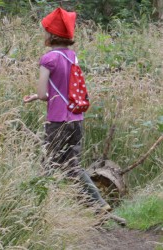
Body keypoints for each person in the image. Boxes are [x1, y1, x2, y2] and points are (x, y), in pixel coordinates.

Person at [23, 8, 111, 212]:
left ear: (51, 34)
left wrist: (38, 96)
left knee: (49, 163)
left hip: (57, 121)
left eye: (45, 30)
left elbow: (44, 93)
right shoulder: (72, 56)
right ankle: (99, 203)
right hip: (76, 118)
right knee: (73, 165)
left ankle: (42, 209)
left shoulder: (48, 59)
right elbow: (64, 87)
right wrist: (41, 96)